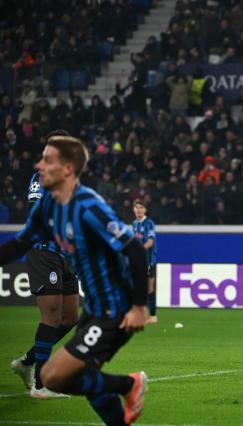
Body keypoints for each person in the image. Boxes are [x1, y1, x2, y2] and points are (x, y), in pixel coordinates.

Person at [0, 133, 150, 423]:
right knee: (84, 378)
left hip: (115, 310)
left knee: (53, 376)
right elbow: (19, 245)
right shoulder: (47, 205)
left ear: (67, 169)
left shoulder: (89, 206)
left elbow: (134, 249)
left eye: (47, 160)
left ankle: (129, 384)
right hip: (94, 309)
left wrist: (137, 307)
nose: (39, 165)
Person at [11, 163, 80, 399]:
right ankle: (41, 385)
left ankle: (27, 362)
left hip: (66, 254)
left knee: (70, 317)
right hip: (45, 252)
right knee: (51, 316)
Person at [133, 199, 158, 324]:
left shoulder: (149, 223)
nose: (138, 210)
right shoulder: (134, 223)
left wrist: (138, 250)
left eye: (141, 207)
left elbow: (150, 242)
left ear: (145, 210)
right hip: (138, 260)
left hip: (149, 260)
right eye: (137, 207)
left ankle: (153, 316)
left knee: (149, 288)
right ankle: (140, 314)